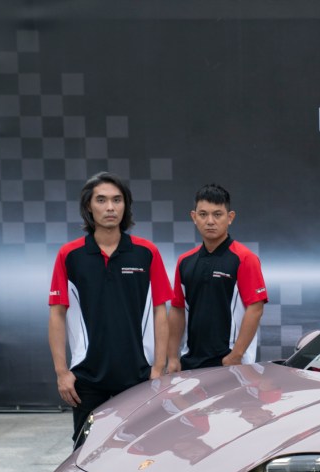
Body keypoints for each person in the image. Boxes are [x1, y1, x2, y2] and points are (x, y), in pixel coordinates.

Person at [48, 171, 172, 441]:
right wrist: (62, 372)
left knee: (141, 450)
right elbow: (57, 314)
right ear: (88, 206)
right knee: (86, 451)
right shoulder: (69, 255)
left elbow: (160, 311)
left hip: (139, 377)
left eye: (117, 200)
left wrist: (158, 368)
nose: (110, 207)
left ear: (125, 205)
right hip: (87, 379)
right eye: (101, 200)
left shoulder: (147, 252)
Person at [167, 184, 267, 372]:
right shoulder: (184, 261)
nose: (210, 221)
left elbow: (256, 309)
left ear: (230, 217)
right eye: (203, 214)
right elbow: (177, 309)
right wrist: (172, 357)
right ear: (194, 217)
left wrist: (235, 356)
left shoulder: (245, 258)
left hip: (230, 363)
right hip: (190, 362)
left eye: (217, 214)